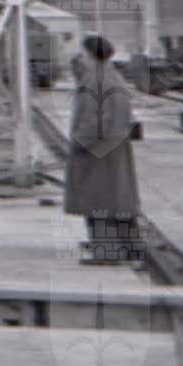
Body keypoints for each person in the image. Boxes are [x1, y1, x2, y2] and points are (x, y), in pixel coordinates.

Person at [66, 33, 141, 264]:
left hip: (98, 150)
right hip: (113, 147)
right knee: (118, 201)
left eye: (81, 54)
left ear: (90, 55)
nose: (78, 58)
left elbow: (94, 120)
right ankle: (129, 247)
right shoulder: (110, 75)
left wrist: (78, 142)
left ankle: (107, 251)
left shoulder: (96, 80)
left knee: (98, 201)